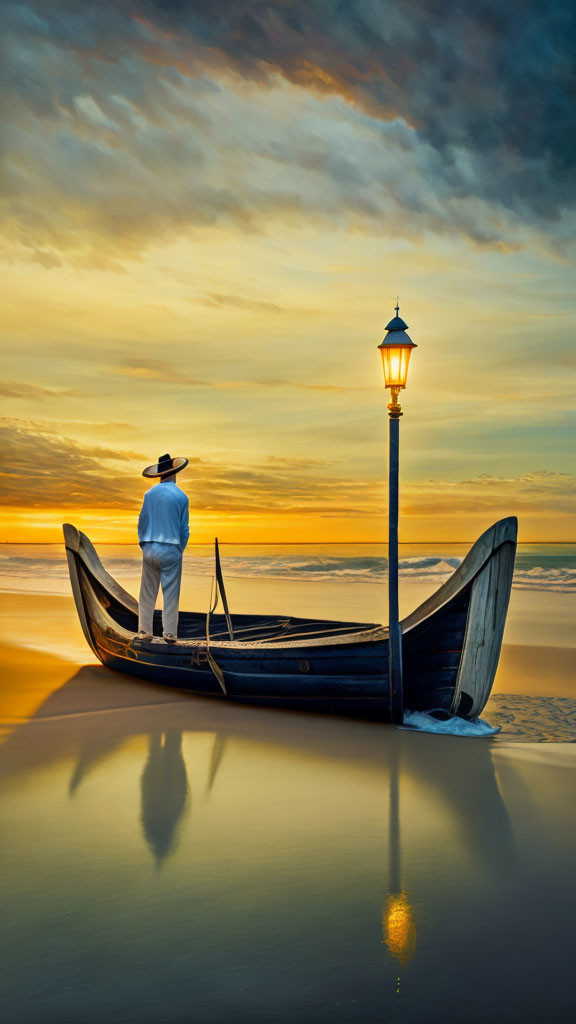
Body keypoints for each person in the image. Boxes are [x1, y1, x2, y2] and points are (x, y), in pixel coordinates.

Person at [137, 453, 189, 643]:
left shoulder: (149, 494)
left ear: (159, 475)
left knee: (147, 592)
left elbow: (142, 522)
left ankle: (144, 631)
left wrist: (144, 543)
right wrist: (178, 549)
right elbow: (184, 530)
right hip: (171, 547)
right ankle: (169, 633)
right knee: (171, 594)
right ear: (174, 473)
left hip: (150, 546)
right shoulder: (182, 497)